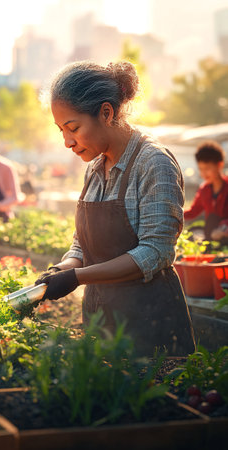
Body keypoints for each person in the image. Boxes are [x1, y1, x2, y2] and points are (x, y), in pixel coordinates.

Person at [36, 61, 195, 357]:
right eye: (61, 130)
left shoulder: (153, 163)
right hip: (101, 316)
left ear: (106, 113)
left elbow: (155, 252)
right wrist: (64, 268)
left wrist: (78, 277)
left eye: (73, 128)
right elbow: (82, 244)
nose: (67, 142)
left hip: (150, 324)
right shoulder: (95, 166)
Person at [184, 141, 228, 242]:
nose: (203, 173)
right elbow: (193, 212)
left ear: (219, 165)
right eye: (201, 169)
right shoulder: (204, 190)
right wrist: (175, 213)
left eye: (207, 168)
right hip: (212, 237)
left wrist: (223, 228)